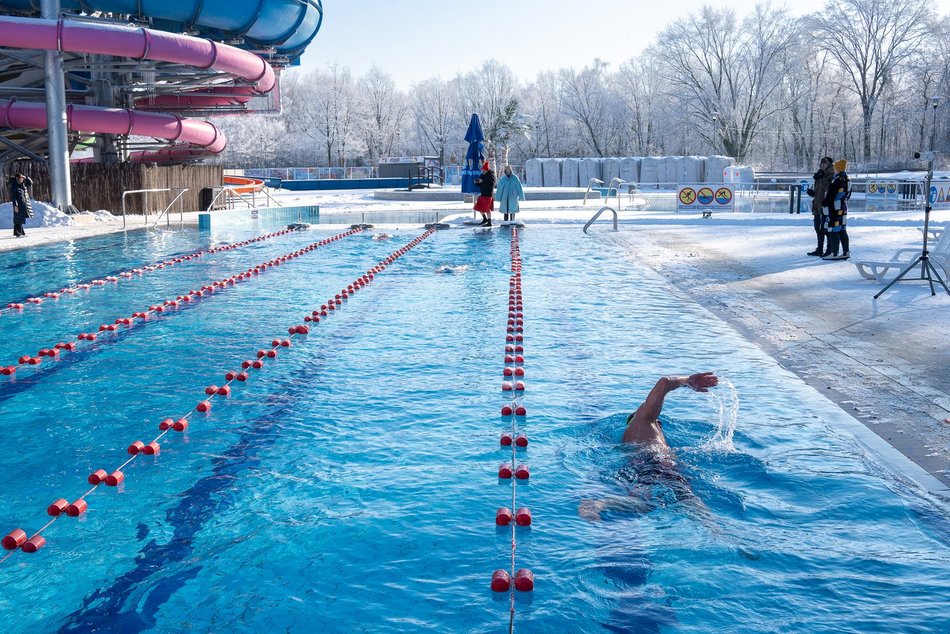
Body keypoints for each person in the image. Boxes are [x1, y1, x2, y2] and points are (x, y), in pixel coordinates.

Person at [579, 372, 719, 521]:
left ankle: (601, 504)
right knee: (691, 502)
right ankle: (717, 531)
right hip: (656, 463)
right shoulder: (645, 420)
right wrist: (687, 381)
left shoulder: (631, 436)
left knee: (645, 504)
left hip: (637, 466)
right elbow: (664, 382)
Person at [822, 159, 851, 260]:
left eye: (835, 167)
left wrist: (824, 203)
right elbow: (848, 194)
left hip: (835, 207)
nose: (834, 168)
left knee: (833, 229)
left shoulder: (837, 180)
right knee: (842, 229)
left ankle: (834, 253)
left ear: (838, 168)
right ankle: (846, 251)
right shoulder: (847, 179)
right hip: (843, 207)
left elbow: (831, 195)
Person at [806, 157, 834, 256]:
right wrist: (812, 193)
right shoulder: (819, 175)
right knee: (817, 227)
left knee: (826, 228)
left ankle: (829, 249)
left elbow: (830, 191)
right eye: (821, 163)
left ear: (829, 165)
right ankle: (820, 249)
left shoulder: (831, 175)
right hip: (817, 205)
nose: (823, 165)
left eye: (825, 164)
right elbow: (819, 191)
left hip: (826, 205)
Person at [9, 173, 33, 238]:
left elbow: (30, 183)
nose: (22, 180)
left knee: (20, 218)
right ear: (17, 178)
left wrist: (26, 177)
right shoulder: (14, 185)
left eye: (22, 179)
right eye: (21, 178)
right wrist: (15, 205)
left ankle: (20, 232)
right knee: (18, 218)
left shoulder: (22, 184)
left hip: (22, 204)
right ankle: (18, 233)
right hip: (18, 205)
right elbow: (13, 197)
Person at [473, 161, 495, 226]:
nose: (483, 171)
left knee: (487, 209)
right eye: (483, 170)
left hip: (488, 195)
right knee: (478, 207)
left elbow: (491, 184)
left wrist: (483, 181)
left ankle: (489, 222)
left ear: (487, 170)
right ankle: (485, 219)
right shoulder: (482, 175)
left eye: (484, 170)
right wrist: (476, 182)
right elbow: (480, 184)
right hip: (482, 194)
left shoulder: (491, 176)